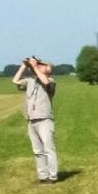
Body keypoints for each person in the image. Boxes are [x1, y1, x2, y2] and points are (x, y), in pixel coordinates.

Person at [11, 56, 58, 184]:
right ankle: (43, 176)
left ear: (48, 69)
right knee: (37, 150)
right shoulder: (30, 81)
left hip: (44, 119)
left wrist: (35, 66)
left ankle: (52, 176)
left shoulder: (51, 81)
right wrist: (23, 66)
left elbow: (46, 82)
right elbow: (15, 81)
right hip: (31, 120)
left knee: (48, 149)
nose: (38, 66)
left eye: (42, 65)